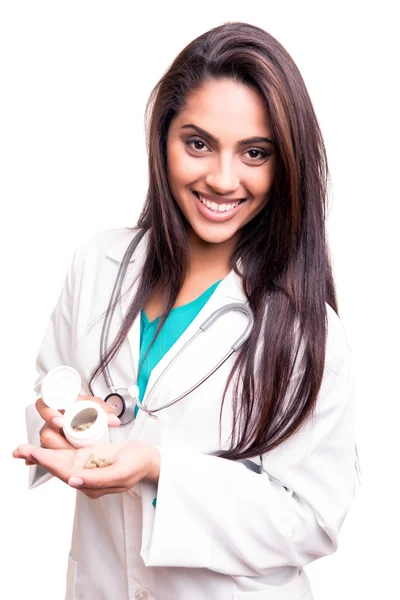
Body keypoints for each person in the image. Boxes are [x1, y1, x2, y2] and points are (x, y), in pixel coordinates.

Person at [13, 21, 356, 600]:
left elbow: (313, 519)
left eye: (254, 153)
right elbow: (52, 390)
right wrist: (57, 427)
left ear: (285, 163)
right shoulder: (98, 262)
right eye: (197, 143)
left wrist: (158, 472)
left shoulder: (304, 329)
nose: (222, 179)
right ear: (163, 138)